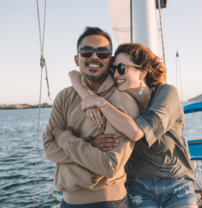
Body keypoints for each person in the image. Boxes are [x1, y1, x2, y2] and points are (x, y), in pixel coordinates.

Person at [69, 43, 198, 208]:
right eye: (113, 69)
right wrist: (85, 95)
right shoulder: (121, 103)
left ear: (142, 72)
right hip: (138, 185)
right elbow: (74, 74)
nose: (115, 75)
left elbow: (136, 132)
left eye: (122, 68)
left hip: (176, 182)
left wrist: (98, 101)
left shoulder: (166, 93)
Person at [42, 27, 139, 208]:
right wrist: (91, 146)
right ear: (77, 59)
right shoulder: (65, 97)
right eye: (87, 51)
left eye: (102, 52)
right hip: (67, 202)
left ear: (110, 60)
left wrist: (63, 137)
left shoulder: (123, 102)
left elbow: (109, 166)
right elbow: (49, 149)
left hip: (107, 201)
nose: (94, 56)